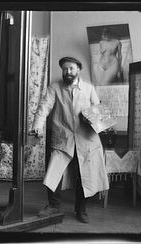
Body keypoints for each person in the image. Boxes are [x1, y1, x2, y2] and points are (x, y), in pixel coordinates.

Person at [31, 56, 109, 223]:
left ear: (78, 70)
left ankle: (81, 210)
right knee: (54, 172)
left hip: (87, 139)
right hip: (63, 137)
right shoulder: (54, 88)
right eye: (64, 69)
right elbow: (43, 108)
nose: (67, 72)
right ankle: (53, 206)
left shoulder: (89, 88)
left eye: (71, 69)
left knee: (85, 174)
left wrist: (96, 120)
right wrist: (37, 126)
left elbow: (99, 111)